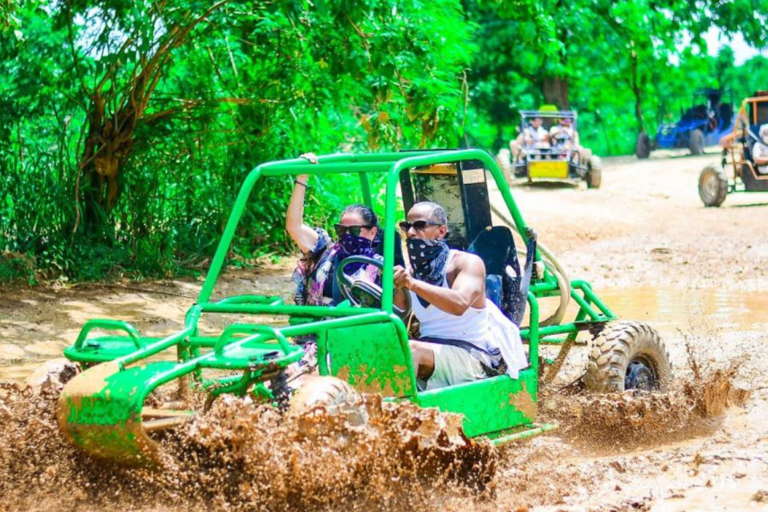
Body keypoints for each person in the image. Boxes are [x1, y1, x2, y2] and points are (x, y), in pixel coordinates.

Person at [392, 201, 528, 390]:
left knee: (410, 351)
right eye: (406, 226)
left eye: (420, 225)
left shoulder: (466, 263)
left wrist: (412, 284)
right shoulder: (410, 272)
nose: (411, 233)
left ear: (441, 231)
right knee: (385, 350)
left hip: (472, 355)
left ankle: (396, 416)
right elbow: (395, 314)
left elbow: (459, 304)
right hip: (432, 352)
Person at [286, 174, 381, 306]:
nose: (347, 236)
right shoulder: (324, 252)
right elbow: (294, 226)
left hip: (355, 326)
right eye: (341, 230)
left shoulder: (380, 267)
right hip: (316, 324)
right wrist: (302, 178)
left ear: (372, 232)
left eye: (354, 230)